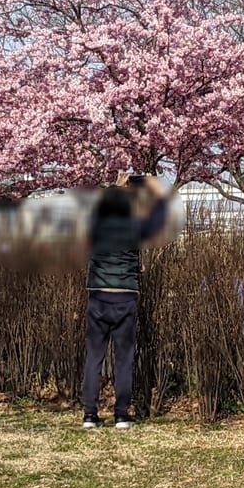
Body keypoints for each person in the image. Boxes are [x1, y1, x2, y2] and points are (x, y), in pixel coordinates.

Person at [81, 172, 169, 430]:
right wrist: (155, 187)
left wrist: (115, 187)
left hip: (98, 294)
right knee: (124, 357)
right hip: (126, 295)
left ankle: (89, 415)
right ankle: (121, 414)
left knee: (94, 356)